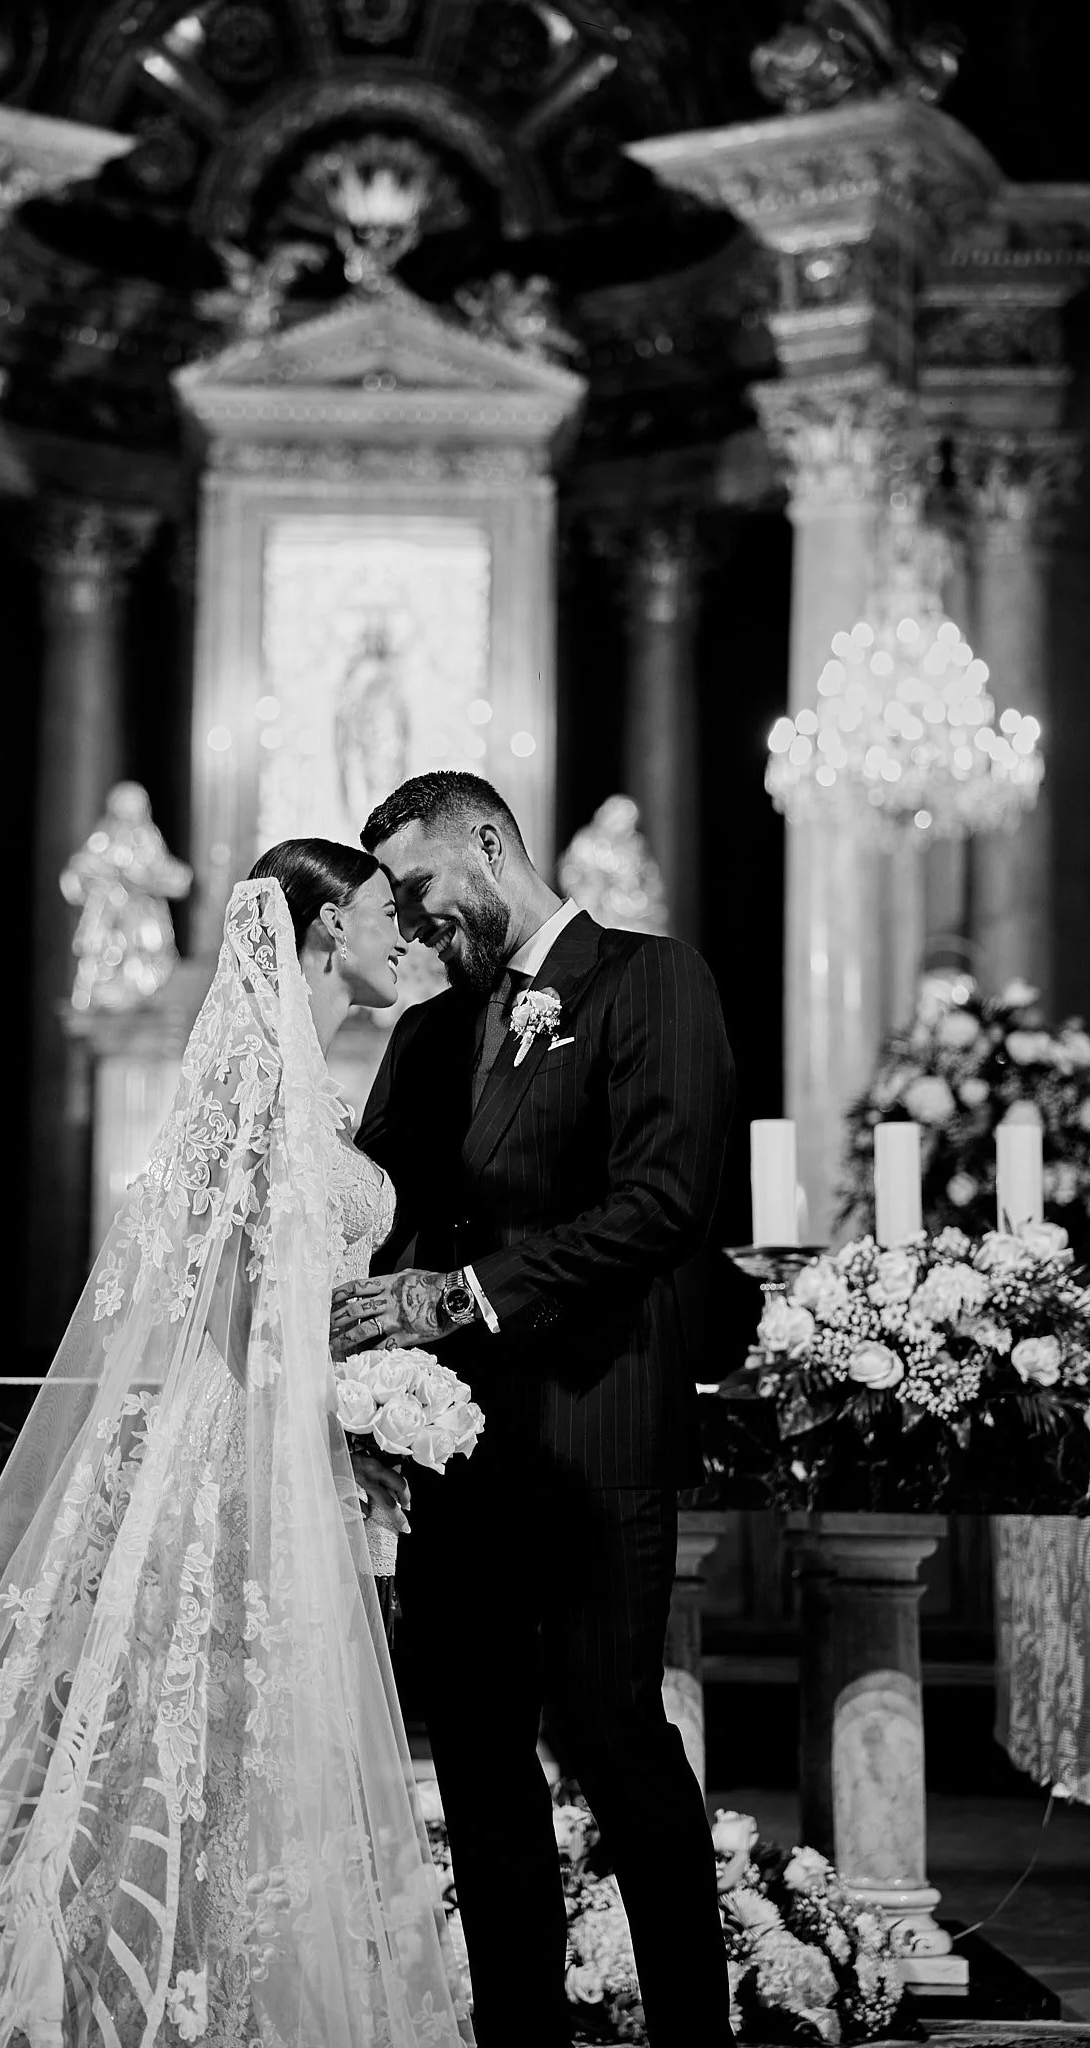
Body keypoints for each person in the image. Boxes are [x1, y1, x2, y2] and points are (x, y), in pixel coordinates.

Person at [0, 849, 471, 2048]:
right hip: (244, 1452)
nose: (408, 935)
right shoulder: (259, 1086)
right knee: (207, 1734)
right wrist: (340, 1405)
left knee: (258, 1749)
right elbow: (224, 1298)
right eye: (388, 913)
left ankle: (234, 1995)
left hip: (301, 1444)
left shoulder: (323, 1091)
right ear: (331, 925)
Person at [332, 770, 736, 2048]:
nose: (407, 917)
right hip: (449, 1450)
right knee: (480, 1767)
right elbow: (376, 1218)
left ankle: (692, 2036)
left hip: (595, 1436)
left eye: (419, 885)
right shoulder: (430, 1032)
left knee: (621, 1747)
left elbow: (660, 1203)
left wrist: (455, 1299)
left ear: (491, 845)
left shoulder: (651, 979)